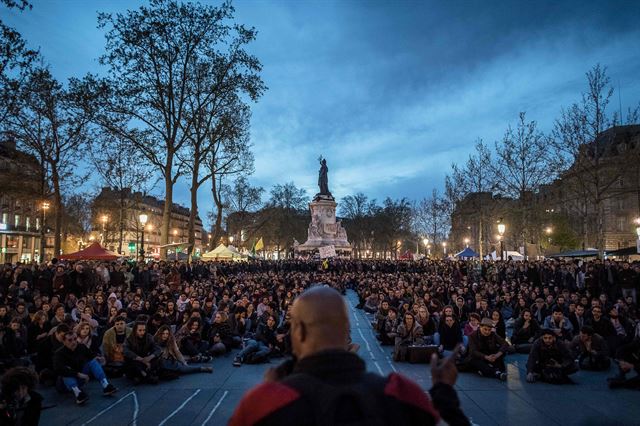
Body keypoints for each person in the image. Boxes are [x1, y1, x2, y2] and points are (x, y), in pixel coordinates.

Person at [230, 286, 469, 426]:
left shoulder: (263, 405)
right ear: (346, 330)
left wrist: (274, 392)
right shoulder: (401, 395)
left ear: (298, 331)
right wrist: (443, 393)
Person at [53, 330, 117, 404]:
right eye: (70, 340)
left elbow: (91, 355)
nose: (73, 342)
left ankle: (106, 385)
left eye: (75, 339)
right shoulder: (59, 354)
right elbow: (59, 369)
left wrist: (99, 358)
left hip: (81, 378)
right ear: (64, 341)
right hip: (65, 384)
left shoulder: (81, 347)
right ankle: (78, 394)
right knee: (65, 371)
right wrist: (78, 374)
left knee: (92, 361)